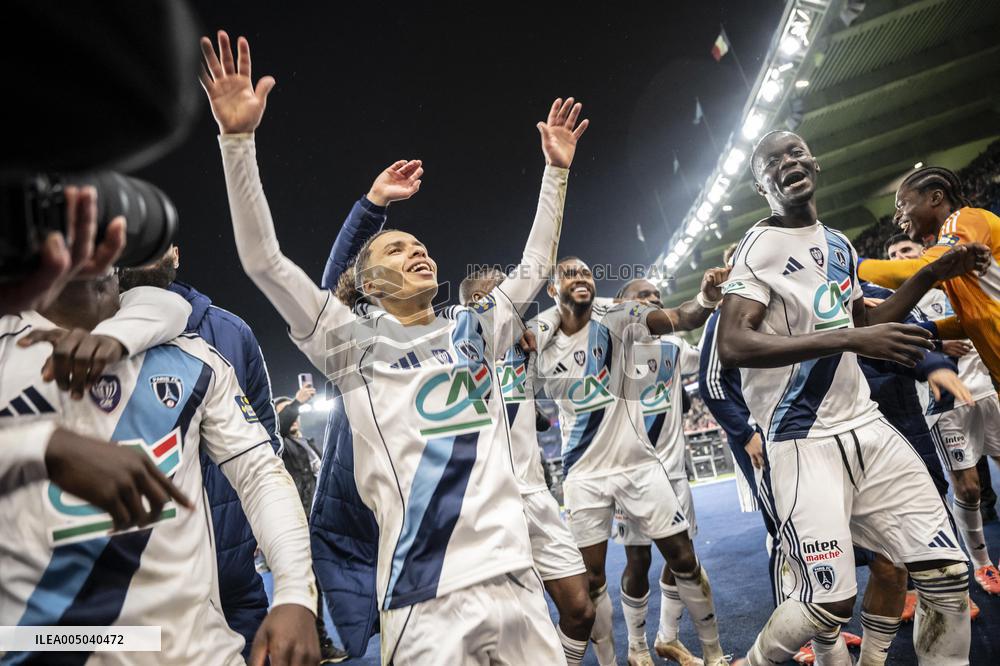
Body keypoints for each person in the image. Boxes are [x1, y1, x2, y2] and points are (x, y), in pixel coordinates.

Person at [201, 28, 587, 663]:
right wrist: (237, 141)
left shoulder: (476, 326)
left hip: (517, 580)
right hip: (421, 597)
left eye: (422, 246)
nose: (420, 252)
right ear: (368, 282)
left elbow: (536, 261)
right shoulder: (349, 345)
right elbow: (264, 260)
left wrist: (555, 170)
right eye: (397, 249)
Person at [719, 130, 986, 666]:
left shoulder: (839, 244)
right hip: (802, 439)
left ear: (813, 162)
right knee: (826, 605)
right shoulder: (759, 247)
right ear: (759, 184)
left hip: (866, 425)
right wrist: (849, 338)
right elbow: (733, 343)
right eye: (773, 162)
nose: (788, 163)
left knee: (949, 581)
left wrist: (931, 273)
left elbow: (866, 319)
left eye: (796, 152)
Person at [0, 272, 318, 665]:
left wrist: (293, 593)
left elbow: (261, 473)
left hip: (196, 651)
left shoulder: (194, 356)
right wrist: (39, 447)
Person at [534, 258, 731, 666]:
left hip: (641, 465)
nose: (582, 278)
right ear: (553, 291)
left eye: (587, 272)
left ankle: (713, 655)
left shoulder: (621, 320)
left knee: (683, 558)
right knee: (590, 580)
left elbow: (680, 316)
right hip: (583, 474)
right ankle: (616, 658)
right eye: (570, 275)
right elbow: (522, 403)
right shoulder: (539, 344)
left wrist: (707, 298)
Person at [117, 244, 282, 657]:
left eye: (158, 240)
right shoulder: (91, 331)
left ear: (176, 252)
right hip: (146, 576)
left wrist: (260, 527)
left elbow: (265, 438)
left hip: (233, 564)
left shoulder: (229, 332)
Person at [460, 268, 596, 665]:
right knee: (509, 626)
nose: (510, 302)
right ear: (472, 305)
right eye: (498, 294)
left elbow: (567, 315)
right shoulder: (454, 346)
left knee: (580, 609)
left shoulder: (526, 346)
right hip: (487, 503)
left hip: (535, 495)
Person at [885, 233, 1000, 595]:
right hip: (943, 404)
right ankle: (983, 565)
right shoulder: (899, 301)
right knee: (967, 488)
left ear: (922, 253)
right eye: (893, 254)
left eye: (905, 249)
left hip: (988, 389)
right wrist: (936, 344)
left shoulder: (960, 283)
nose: (900, 255)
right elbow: (895, 339)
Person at [611, 278, 703, 666]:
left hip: (674, 472)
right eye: (642, 296)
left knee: (682, 557)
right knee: (639, 560)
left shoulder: (675, 346)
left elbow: (716, 354)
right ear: (622, 305)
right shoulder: (609, 347)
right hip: (630, 474)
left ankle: (668, 638)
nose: (653, 300)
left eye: (656, 296)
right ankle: (636, 647)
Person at [858, 166, 1000, 391]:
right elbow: (975, 315)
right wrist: (927, 330)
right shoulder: (951, 254)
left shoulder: (964, 219)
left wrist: (852, 263)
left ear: (935, 198)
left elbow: (923, 270)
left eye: (901, 205)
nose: (896, 217)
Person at [274, 385, 350, 663]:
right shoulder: (279, 444)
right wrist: (295, 401)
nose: (293, 417)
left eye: (294, 412)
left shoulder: (307, 442)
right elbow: (277, 428)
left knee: (323, 583)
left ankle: (320, 641)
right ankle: (314, 644)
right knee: (306, 587)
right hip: (299, 522)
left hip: (321, 521)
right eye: (287, 413)